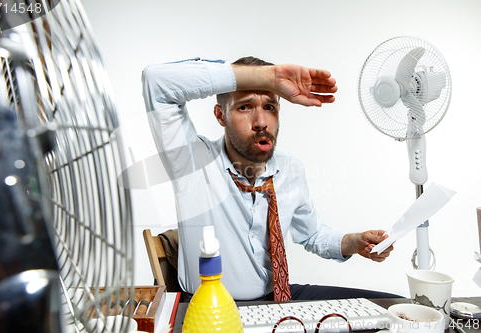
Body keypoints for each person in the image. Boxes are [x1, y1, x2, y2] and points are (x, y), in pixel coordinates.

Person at [141, 56, 399, 301]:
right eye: (245, 107)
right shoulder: (192, 162)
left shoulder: (291, 169)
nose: (261, 122)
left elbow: (312, 234)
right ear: (220, 115)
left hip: (278, 297)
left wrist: (353, 242)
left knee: (388, 308)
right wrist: (268, 77)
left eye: (269, 107)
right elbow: (157, 81)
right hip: (215, 307)